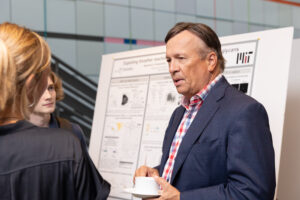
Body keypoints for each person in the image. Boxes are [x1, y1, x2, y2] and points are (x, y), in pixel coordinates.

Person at [134, 22, 276, 200]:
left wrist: (181, 199)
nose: (172, 68)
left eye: (181, 58)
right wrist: (155, 174)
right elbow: (188, 171)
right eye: (169, 60)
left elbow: (253, 193)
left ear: (211, 61)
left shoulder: (245, 112)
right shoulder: (179, 113)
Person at [0, 22, 110, 200]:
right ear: (30, 84)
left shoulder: (70, 133)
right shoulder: (66, 148)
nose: (48, 95)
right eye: (45, 71)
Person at [28, 71, 87, 147]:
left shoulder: (73, 131)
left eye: (51, 88)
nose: (48, 96)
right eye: (39, 90)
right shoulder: (13, 135)